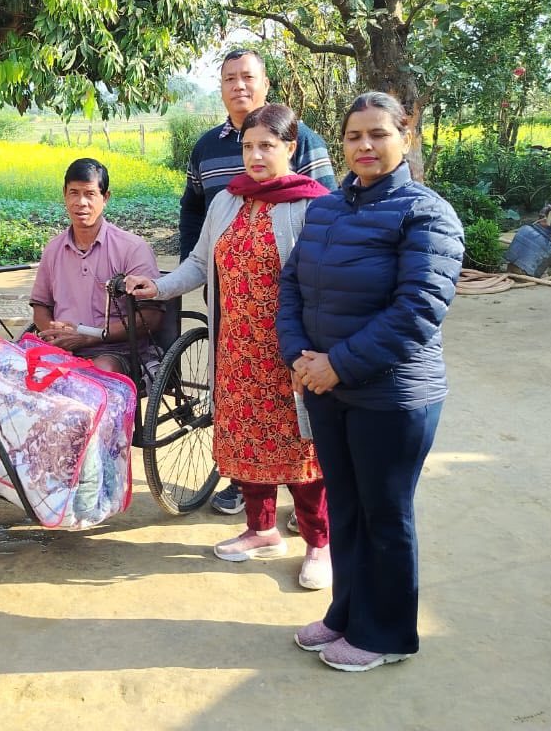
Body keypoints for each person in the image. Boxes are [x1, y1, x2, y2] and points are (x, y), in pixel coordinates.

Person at [279, 91, 464, 672]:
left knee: (385, 514)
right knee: (347, 508)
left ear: (405, 138)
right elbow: (292, 285)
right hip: (327, 389)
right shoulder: (327, 209)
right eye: (354, 135)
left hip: (392, 394)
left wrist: (337, 364)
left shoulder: (426, 214)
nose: (365, 145)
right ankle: (346, 615)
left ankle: (385, 634)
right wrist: (298, 357)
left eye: (379, 134)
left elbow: (418, 309)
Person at [127, 104, 332, 588]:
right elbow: (200, 264)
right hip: (237, 348)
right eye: (247, 146)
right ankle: (261, 530)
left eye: (267, 146)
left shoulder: (314, 206)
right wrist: (158, 287)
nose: (255, 156)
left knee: (302, 449)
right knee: (245, 439)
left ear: (291, 147)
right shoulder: (226, 201)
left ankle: (319, 544)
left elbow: (327, 284)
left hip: (290, 353)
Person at [180, 47, 337, 517]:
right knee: (245, 418)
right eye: (229, 78)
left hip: (291, 328)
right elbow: (194, 214)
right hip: (235, 319)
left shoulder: (304, 149)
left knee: (298, 423)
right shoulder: (209, 153)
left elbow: (331, 229)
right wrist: (194, 271)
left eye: (248, 77)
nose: (239, 86)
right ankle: (255, 515)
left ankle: (313, 525)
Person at [29, 158, 163, 380]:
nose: (81, 202)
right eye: (74, 193)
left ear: (105, 197)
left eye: (90, 194)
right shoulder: (53, 249)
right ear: (64, 194)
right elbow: (41, 306)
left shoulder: (132, 248)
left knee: (98, 371)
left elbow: (150, 317)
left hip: (116, 351)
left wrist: (90, 337)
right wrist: (53, 331)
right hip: (62, 349)